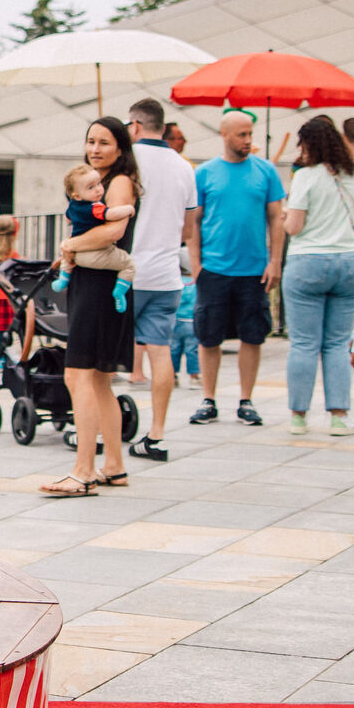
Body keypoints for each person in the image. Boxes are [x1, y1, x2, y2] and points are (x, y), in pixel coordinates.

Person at [40, 116, 140, 497]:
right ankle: (113, 466)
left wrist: (69, 247)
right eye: (91, 141)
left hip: (101, 284)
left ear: (120, 148)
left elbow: (113, 231)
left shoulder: (118, 182)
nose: (95, 149)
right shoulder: (99, 180)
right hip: (95, 283)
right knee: (97, 379)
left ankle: (84, 470)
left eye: (104, 142)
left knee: (79, 375)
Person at [189, 112, 287, 426]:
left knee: (253, 335)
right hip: (214, 268)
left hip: (254, 269)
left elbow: (277, 218)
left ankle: (246, 400)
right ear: (225, 134)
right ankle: (209, 399)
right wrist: (196, 265)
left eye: (250, 134)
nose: (248, 140)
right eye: (241, 135)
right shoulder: (205, 174)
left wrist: (275, 261)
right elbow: (194, 220)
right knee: (209, 336)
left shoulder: (266, 171)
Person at [281, 114, 354, 436]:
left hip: (309, 262)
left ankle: (299, 417)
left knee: (304, 344)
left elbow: (295, 226)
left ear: (309, 145)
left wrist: (288, 214)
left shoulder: (306, 176)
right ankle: (339, 416)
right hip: (349, 260)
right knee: (336, 343)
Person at [123, 98, 198, 461]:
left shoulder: (128, 161)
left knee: (105, 355)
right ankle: (157, 434)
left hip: (126, 272)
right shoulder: (184, 166)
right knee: (160, 352)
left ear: (135, 125)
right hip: (167, 275)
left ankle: (99, 429)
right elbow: (188, 226)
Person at [49, 160, 135, 303]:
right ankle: (120, 292)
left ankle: (63, 280)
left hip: (76, 255)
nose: (98, 189)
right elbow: (111, 214)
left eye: (99, 184)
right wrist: (129, 209)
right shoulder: (94, 207)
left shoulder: (72, 207)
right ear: (77, 195)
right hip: (96, 253)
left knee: (66, 259)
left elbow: (67, 218)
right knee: (129, 264)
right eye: (91, 187)